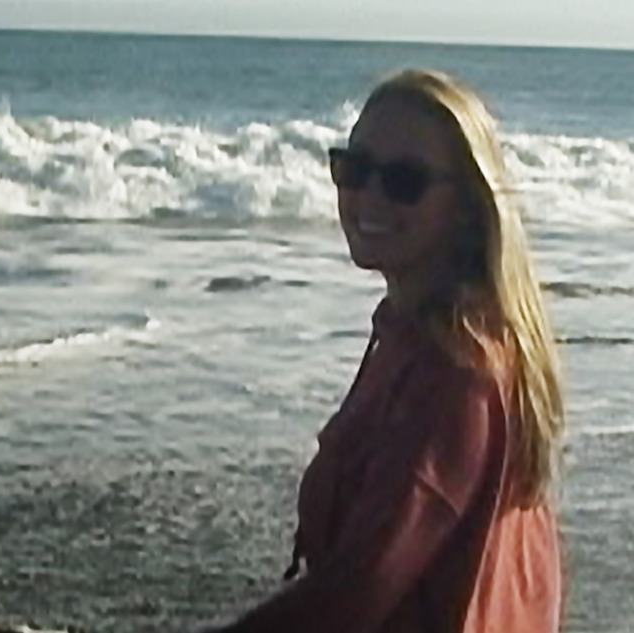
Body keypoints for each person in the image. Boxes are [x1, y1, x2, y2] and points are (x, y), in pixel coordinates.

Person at [208, 68, 566, 633]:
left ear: (468, 207)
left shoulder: (456, 369)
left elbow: (359, 592)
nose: (367, 195)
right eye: (353, 169)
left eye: (404, 180)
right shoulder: (423, 332)